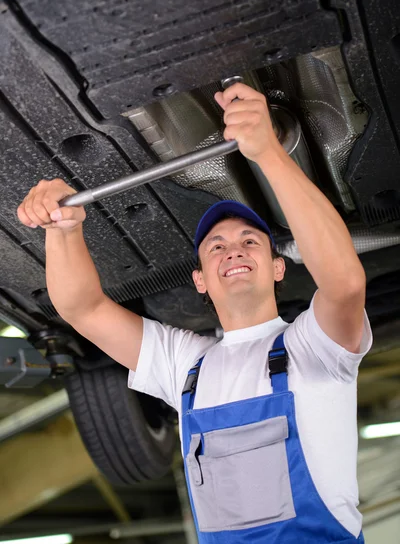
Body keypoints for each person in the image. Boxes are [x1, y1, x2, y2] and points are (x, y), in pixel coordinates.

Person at [17, 83, 372, 543]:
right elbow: (81, 308)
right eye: (216, 247)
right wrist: (63, 229)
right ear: (200, 279)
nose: (234, 250)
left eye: (250, 241)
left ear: (278, 266)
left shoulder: (312, 347)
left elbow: (344, 283)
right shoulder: (187, 367)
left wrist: (268, 154)